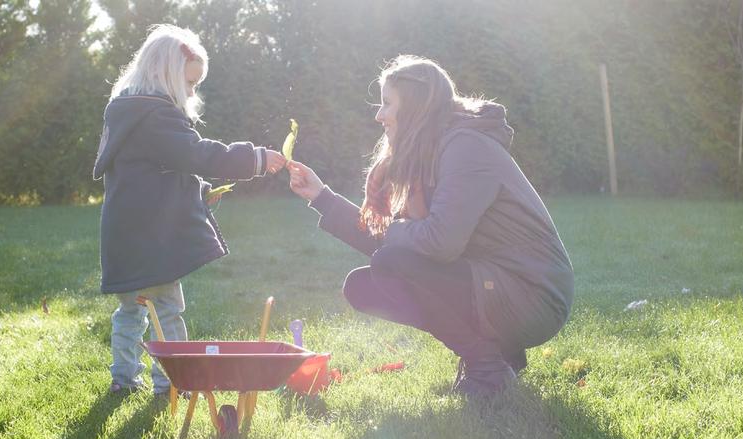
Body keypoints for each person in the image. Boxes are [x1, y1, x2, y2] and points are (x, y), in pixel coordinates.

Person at [286, 55, 574, 398]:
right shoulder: (430, 154)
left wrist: (388, 231)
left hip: (533, 297)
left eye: (387, 104)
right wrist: (321, 197)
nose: (379, 115)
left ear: (416, 107)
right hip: (495, 282)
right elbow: (400, 245)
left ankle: (488, 369)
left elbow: (438, 243)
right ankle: (497, 357)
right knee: (363, 286)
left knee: (392, 262)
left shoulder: (466, 147)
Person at [93, 24, 287, 395]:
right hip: (153, 239)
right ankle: (172, 382)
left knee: (131, 311)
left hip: (123, 235)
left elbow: (153, 174)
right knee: (167, 307)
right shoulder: (157, 116)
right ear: (167, 74)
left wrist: (196, 193)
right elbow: (198, 154)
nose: (193, 91)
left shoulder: (125, 114)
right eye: (191, 82)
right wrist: (256, 159)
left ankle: (123, 377)